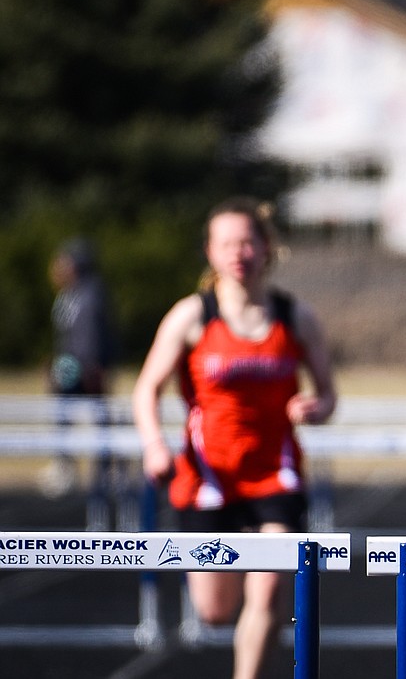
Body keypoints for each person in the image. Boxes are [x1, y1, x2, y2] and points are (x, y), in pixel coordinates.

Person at [132, 197, 336, 679]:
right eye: (227, 243)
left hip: (275, 477)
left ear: (267, 248)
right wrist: (154, 445)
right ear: (210, 252)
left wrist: (315, 407)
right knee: (214, 611)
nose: (238, 252)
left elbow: (328, 395)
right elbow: (146, 389)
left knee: (266, 594)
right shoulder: (192, 316)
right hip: (209, 478)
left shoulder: (295, 317)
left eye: (248, 241)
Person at [42, 237, 117, 499]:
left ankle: (105, 470)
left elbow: (91, 334)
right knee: (63, 415)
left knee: (99, 417)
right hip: (69, 364)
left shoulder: (91, 293)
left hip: (86, 366)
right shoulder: (68, 293)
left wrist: (93, 366)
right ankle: (66, 465)